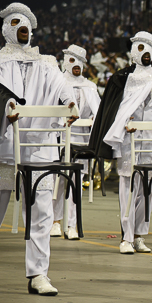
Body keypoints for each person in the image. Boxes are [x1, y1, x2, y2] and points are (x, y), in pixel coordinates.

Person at [0, 2, 77, 295]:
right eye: (15, 23)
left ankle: (39, 273)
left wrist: (70, 103)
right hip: (4, 146)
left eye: (26, 24)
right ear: (6, 29)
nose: (22, 27)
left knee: (41, 212)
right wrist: (9, 107)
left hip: (39, 147)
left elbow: (62, 86)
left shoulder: (47, 62)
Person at [89, 31, 152, 255]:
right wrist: (123, 123)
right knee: (129, 187)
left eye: (149, 47)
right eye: (140, 47)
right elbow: (113, 109)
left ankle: (140, 235)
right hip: (129, 139)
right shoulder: (123, 78)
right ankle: (126, 237)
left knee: (150, 188)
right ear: (133, 51)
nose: (145, 51)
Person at [50, 45, 101, 240]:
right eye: (73, 60)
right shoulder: (57, 83)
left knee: (76, 182)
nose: (77, 65)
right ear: (65, 60)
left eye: (81, 61)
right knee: (58, 180)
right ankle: (55, 221)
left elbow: (98, 113)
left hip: (81, 141)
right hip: (60, 138)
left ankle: (72, 224)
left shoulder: (89, 86)